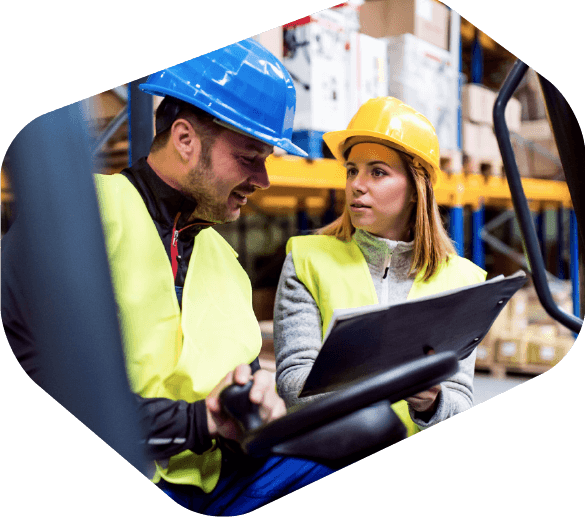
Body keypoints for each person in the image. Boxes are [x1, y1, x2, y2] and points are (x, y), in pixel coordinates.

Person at [2, 39, 335, 515]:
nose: (263, 180)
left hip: (219, 483)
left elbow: (241, 383)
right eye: (249, 157)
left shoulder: (227, 264)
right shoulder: (82, 216)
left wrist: (256, 404)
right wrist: (196, 422)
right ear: (184, 140)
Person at [273, 97, 487, 436]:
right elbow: (293, 383)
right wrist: (390, 380)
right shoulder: (307, 260)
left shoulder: (462, 280)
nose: (357, 184)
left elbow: (459, 399)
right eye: (352, 170)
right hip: (327, 457)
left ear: (417, 189)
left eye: (378, 172)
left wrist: (433, 402)